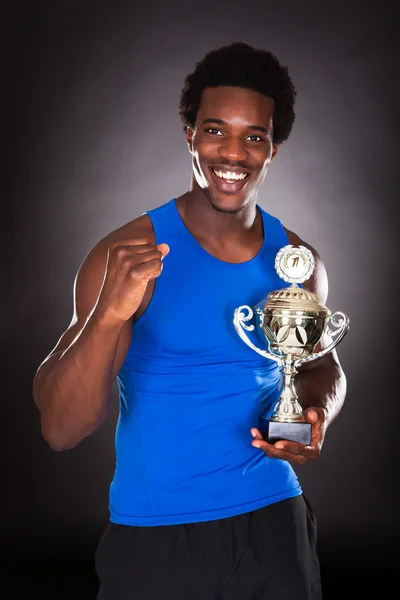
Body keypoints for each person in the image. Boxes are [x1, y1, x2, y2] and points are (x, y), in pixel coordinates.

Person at [33, 42, 347, 600]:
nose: (233, 153)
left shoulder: (296, 260)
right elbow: (61, 429)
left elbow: (323, 365)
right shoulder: (126, 252)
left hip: (275, 520)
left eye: (254, 137)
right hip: (158, 534)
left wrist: (319, 413)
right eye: (214, 130)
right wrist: (110, 311)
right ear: (190, 135)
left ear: (273, 148)